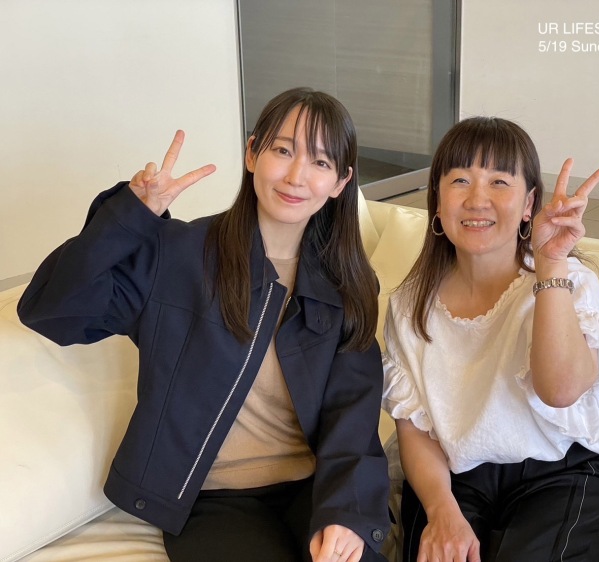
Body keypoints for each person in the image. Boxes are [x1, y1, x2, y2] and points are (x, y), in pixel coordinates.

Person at [18, 87, 390, 562]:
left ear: (340, 182)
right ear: (252, 153)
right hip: (212, 499)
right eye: (283, 150)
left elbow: (353, 413)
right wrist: (129, 217)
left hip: (313, 489)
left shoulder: (346, 283)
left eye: (320, 162)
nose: (297, 176)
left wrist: (346, 512)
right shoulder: (178, 255)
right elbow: (52, 310)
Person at [381, 117, 599, 562]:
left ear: (528, 204)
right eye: (460, 180)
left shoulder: (570, 280)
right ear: (437, 202)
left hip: (565, 467)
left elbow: (560, 391)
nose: (477, 199)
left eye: (499, 182)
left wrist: (551, 264)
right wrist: (442, 512)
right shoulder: (409, 305)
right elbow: (414, 428)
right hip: (456, 476)